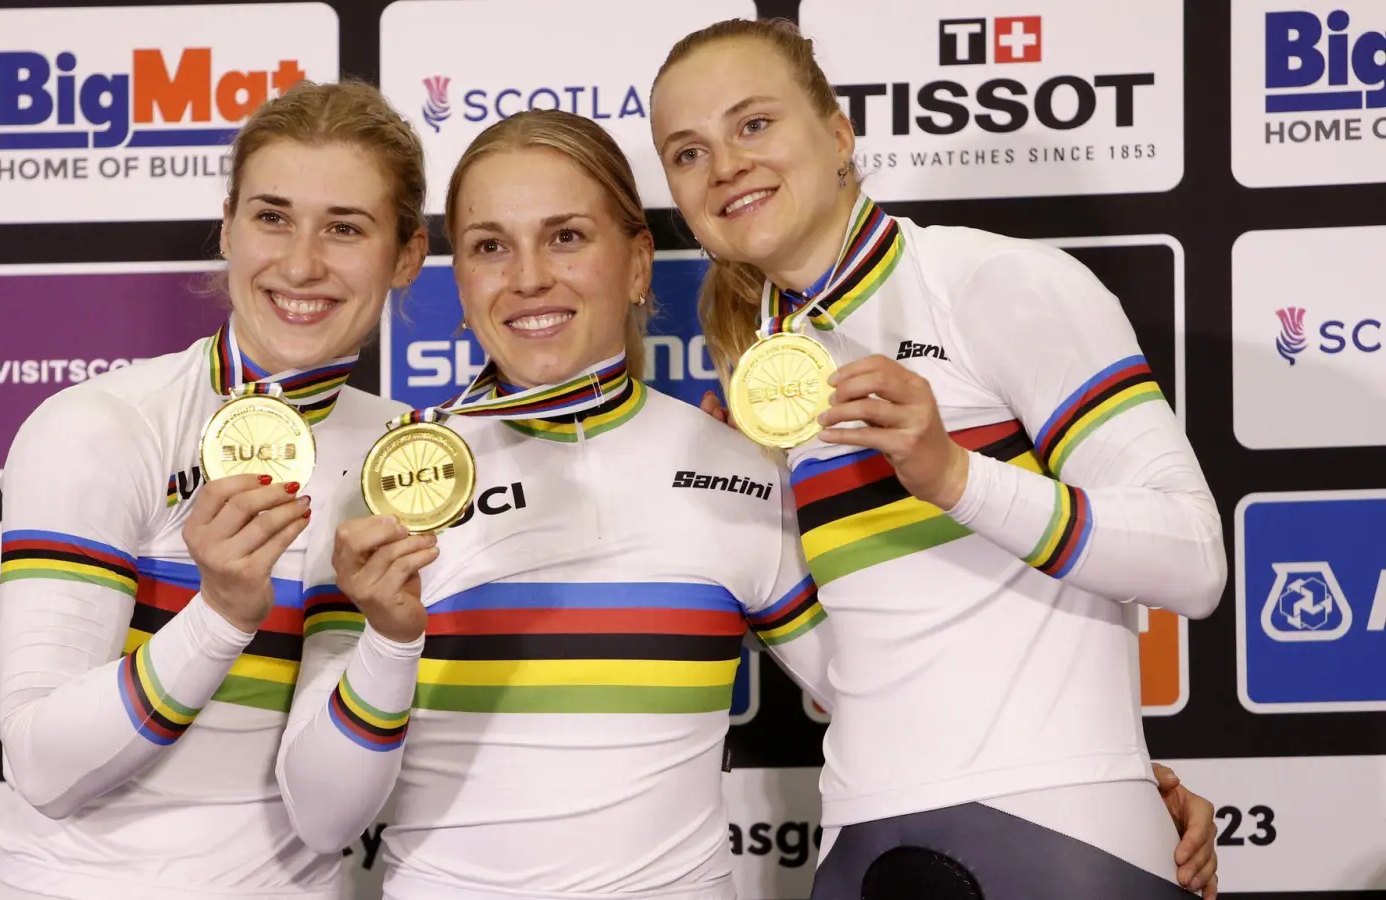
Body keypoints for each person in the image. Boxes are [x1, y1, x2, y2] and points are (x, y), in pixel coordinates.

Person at [648, 17, 1227, 900]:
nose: (724, 164)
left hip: (1057, 832)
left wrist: (954, 475)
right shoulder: (766, 372)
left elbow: (1195, 560)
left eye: (753, 124)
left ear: (838, 133)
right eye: (687, 152)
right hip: (855, 838)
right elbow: (869, 659)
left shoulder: (990, 283)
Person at [275, 108, 837, 900]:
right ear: (461, 284)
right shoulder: (390, 483)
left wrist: (836, 482)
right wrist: (392, 642)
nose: (529, 277)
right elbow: (323, 819)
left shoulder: (737, 466)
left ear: (638, 263)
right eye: (491, 246)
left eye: (566, 236)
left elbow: (865, 696)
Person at [0, 79, 427, 900]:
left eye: (344, 228)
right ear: (226, 227)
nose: (301, 263)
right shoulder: (103, 426)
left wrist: (394, 642)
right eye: (272, 217)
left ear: (406, 254)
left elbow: (329, 820)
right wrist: (219, 617)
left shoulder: (405, 456)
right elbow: (43, 767)